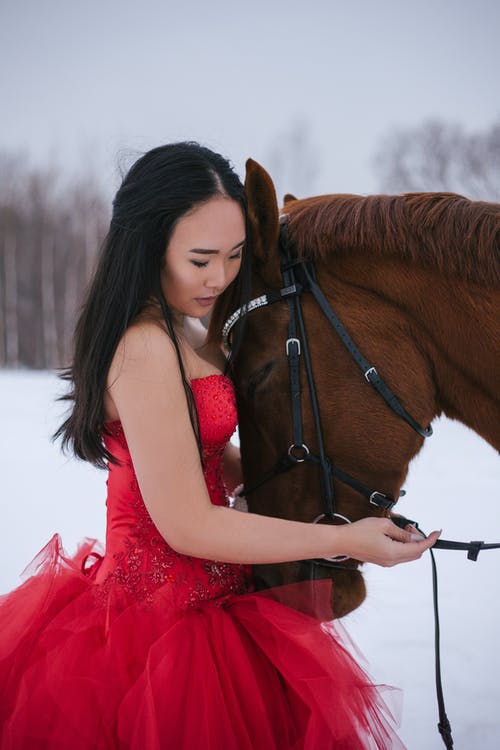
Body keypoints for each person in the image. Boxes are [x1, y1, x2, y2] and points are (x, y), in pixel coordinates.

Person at [0, 142, 440, 750]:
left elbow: (206, 461)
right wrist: (339, 540)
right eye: (201, 259)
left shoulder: (192, 330)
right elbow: (187, 525)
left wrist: (336, 493)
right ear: (149, 247)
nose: (220, 277)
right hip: (156, 634)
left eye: (234, 256)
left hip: (221, 605)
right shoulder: (145, 347)